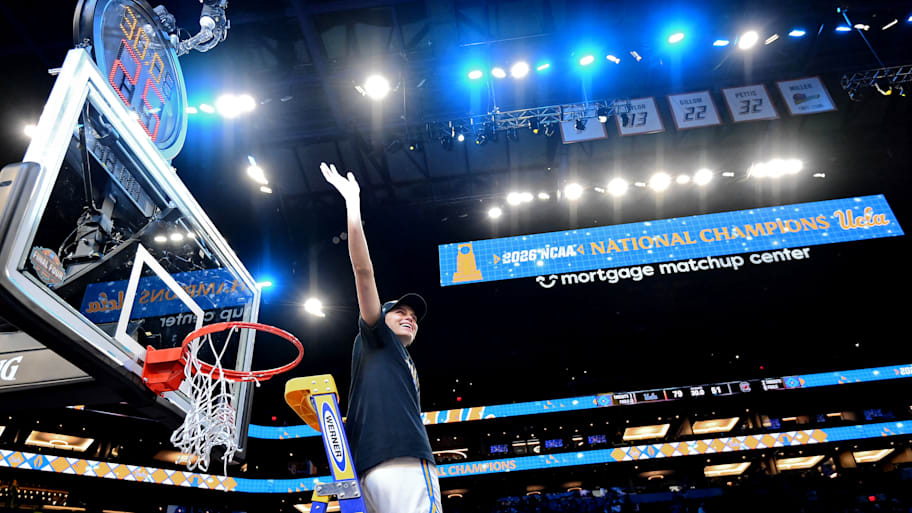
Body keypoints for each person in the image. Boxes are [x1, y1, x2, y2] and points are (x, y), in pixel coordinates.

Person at [320, 162, 442, 513]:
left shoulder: (391, 358)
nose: (409, 317)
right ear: (380, 318)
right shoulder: (379, 339)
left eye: (414, 317)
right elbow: (363, 272)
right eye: (400, 312)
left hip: (362, 472)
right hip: (401, 462)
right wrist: (352, 203)